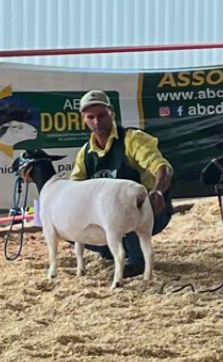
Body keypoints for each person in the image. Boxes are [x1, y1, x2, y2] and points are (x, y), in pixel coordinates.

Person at [70, 90, 174, 278]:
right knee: (71, 229)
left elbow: (162, 167)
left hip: (149, 210)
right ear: (84, 119)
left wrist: (158, 192)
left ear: (112, 113)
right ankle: (114, 249)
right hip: (109, 217)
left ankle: (136, 261)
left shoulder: (133, 139)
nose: (96, 122)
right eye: (91, 117)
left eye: (102, 115)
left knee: (126, 210)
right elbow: (73, 189)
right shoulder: (85, 153)